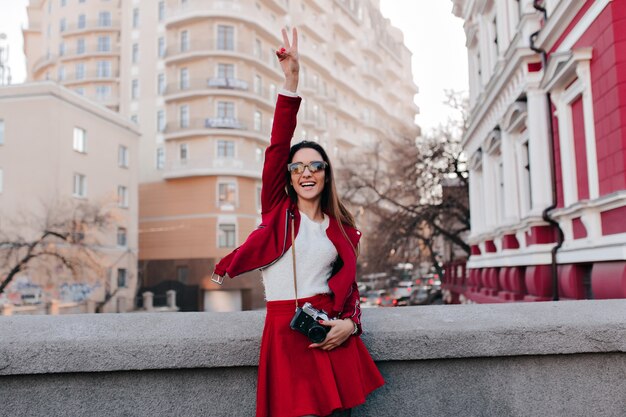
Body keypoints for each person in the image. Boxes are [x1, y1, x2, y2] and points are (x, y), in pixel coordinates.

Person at [212, 27, 384, 417]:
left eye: (316, 166)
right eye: (298, 166)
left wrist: (350, 326)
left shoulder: (341, 228)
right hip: (284, 332)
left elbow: (349, 288)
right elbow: (277, 145)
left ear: (326, 174)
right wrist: (291, 81)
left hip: (329, 331)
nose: (307, 172)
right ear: (288, 175)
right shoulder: (277, 212)